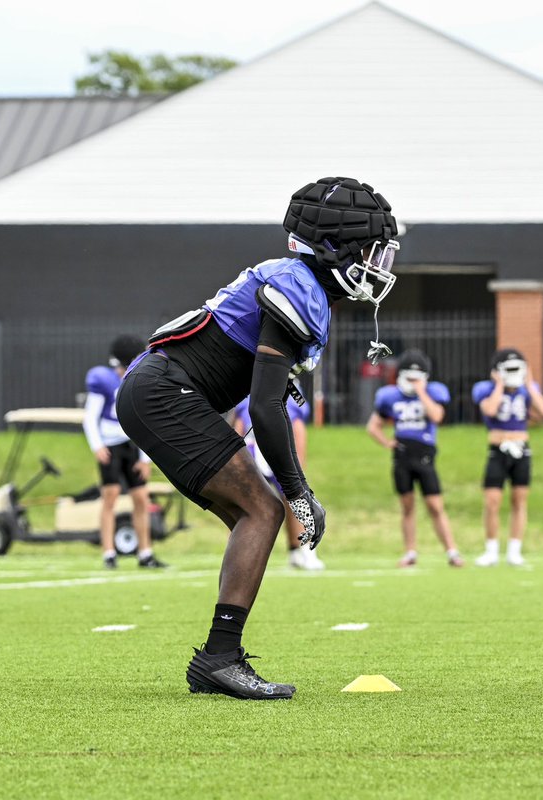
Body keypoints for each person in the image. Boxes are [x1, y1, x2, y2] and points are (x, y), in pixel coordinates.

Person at [118, 176, 398, 700]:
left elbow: (254, 397)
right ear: (334, 247)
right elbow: (266, 409)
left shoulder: (298, 282)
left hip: (164, 393)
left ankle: (221, 654)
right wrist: (299, 491)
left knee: (254, 520)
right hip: (163, 393)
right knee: (265, 512)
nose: (379, 267)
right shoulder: (297, 287)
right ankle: (219, 658)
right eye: (372, 252)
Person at [366, 350, 463, 568]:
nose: (412, 382)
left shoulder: (433, 392)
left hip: (425, 454)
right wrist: (386, 442)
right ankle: (410, 552)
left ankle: (452, 551)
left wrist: (421, 391)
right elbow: (373, 426)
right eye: (409, 378)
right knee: (407, 506)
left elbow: (437, 416)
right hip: (402, 455)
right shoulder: (390, 396)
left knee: (435, 505)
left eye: (416, 378)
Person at [83, 337, 167, 570]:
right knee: (109, 497)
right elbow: (90, 416)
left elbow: (143, 421)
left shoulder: (137, 381)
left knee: (141, 498)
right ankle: (109, 553)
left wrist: (145, 458)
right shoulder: (104, 379)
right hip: (110, 445)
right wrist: (97, 445)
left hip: (132, 444)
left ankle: (145, 553)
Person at [471, 349, 543, 567]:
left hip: (521, 448)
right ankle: (491, 550)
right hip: (497, 448)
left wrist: (529, 383)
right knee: (492, 501)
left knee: (519, 500)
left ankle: (514, 550)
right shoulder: (486, 389)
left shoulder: (527, 390)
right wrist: (499, 384)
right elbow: (489, 409)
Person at [232, 386, 324, 570]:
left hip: (280, 450)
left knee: (296, 500)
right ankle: (243, 552)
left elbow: (297, 428)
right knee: (248, 505)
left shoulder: (290, 395)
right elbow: (238, 430)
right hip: (252, 450)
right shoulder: (244, 395)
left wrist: (299, 463)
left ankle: (303, 550)